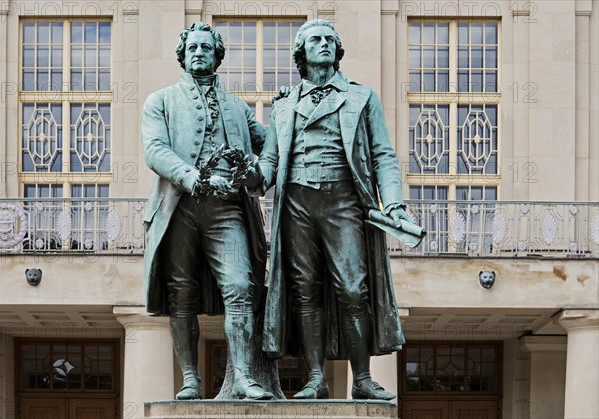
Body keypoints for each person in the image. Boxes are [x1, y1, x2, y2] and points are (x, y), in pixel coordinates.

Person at [255, 19, 407, 400]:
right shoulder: (285, 104)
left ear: (337, 50)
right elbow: (269, 164)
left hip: (344, 202)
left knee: (354, 289)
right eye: (314, 40)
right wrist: (248, 174)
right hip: (297, 204)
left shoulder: (362, 97)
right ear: (301, 53)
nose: (323, 44)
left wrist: (394, 203)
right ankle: (316, 379)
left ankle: (363, 379)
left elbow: (383, 155)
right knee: (305, 291)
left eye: (329, 40)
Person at [142, 21, 273, 400]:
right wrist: (192, 177)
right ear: (182, 56)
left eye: (206, 47)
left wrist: (257, 172)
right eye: (192, 48)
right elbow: (155, 150)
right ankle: (189, 377)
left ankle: (245, 377)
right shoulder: (160, 100)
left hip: (227, 208)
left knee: (240, 287)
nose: (199, 52)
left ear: (218, 56)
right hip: (179, 206)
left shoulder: (238, 107)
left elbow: (270, 149)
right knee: (181, 293)